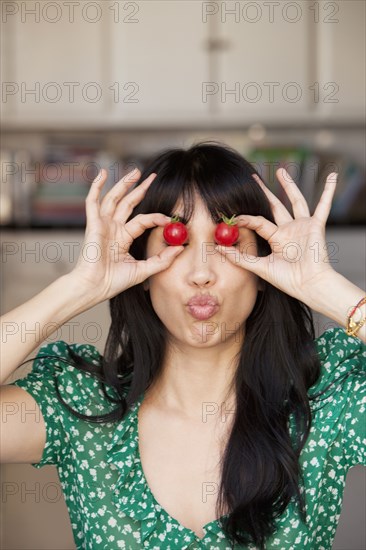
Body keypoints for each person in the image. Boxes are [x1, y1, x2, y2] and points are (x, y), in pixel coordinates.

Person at [1, 141, 365, 550]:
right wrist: (78, 287)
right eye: (176, 241)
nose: (201, 273)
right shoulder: (83, 407)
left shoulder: (328, 402)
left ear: (265, 271)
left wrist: (323, 287)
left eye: (228, 242)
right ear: (141, 268)